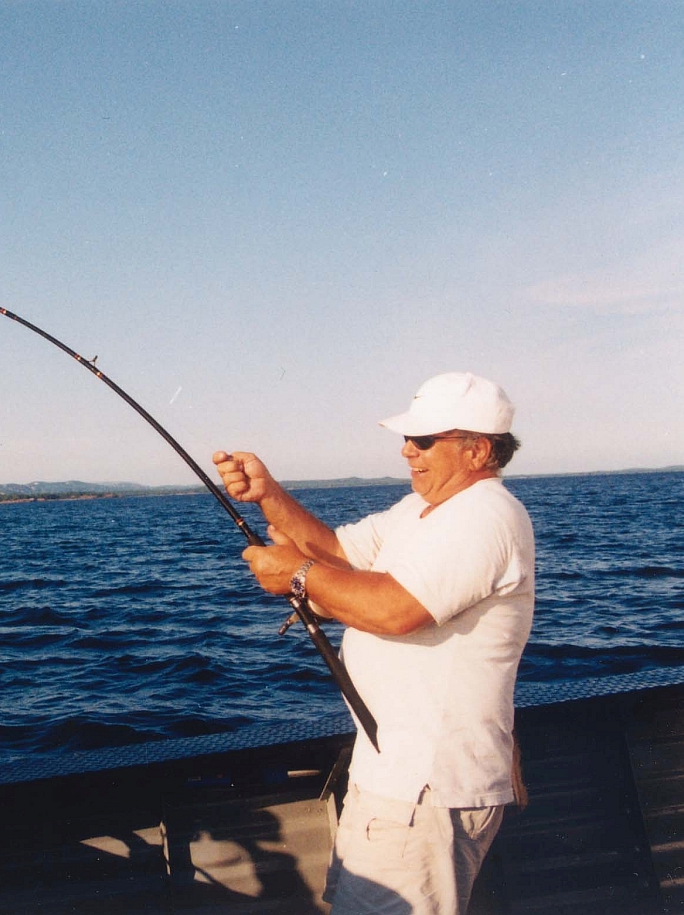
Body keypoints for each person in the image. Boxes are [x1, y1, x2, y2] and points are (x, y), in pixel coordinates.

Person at [213, 371, 534, 915]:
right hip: (395, 779)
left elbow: (394, 610)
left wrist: (298, 576)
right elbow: (338, 553)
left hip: (427, 787)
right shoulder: (421, 510)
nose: (407, 450)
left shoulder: (483, 515)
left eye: (425, 440)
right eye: (407, 438)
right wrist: (268, 494)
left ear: (478, 450)